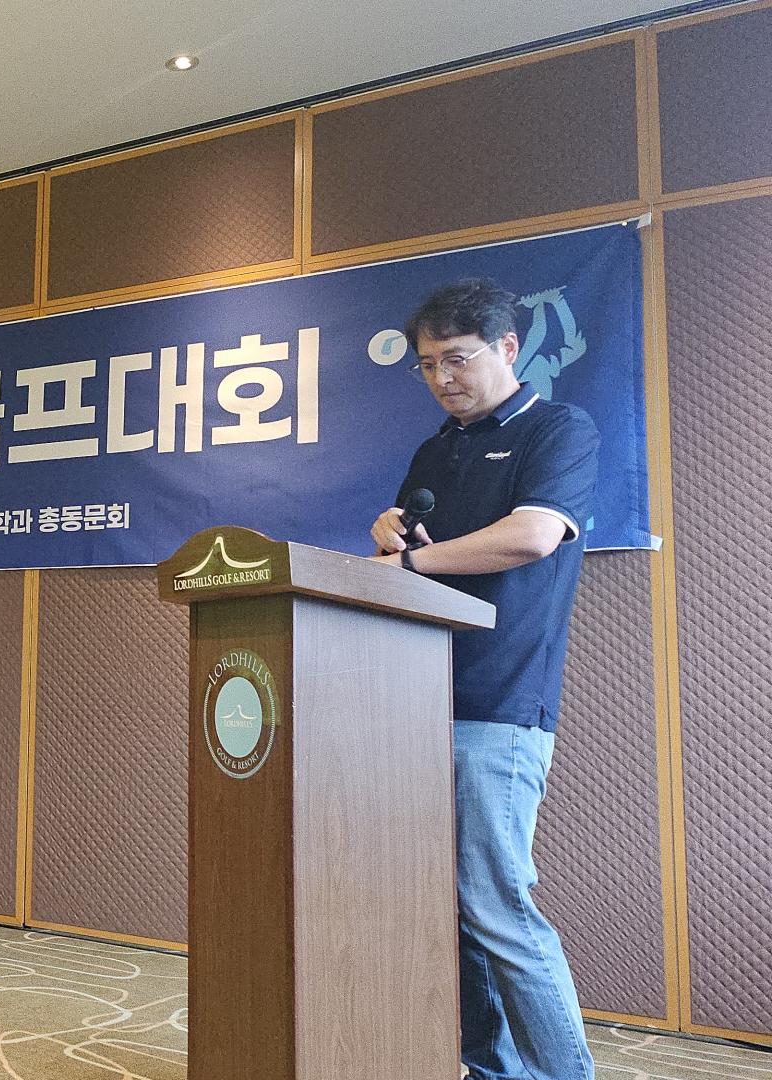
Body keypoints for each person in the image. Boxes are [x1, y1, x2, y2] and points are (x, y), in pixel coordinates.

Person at [369, 278, 600, 1080]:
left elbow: (531, 536)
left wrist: (413, 562)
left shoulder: (558, 429)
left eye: (458, 359)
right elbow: (404, 562)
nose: (442, 378)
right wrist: (391, 536)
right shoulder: (435, 451)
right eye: (428, 364)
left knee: (498, 908)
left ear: (507, 347)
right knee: (449, 912)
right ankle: (487, 1069)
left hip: (499, 707)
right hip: (416, 704)